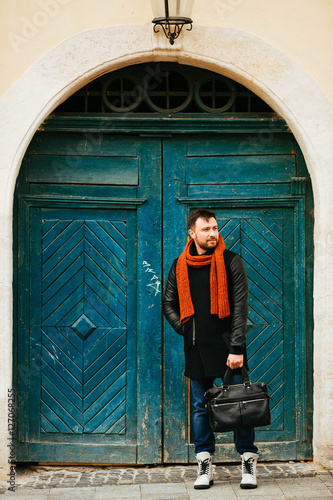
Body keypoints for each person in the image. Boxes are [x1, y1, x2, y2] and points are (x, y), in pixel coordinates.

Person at [163, 208, 259, 490]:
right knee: (200, 409)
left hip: (230, 348)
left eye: (215, 228)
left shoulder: (231, 262)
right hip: (196, 348)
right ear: (192, 233)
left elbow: (240, 308)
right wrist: (185, 329)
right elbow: (169, 304)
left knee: (241, 407)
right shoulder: (180, 265)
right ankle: (205, 464)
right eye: (206, 229)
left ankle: (248, 462)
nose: (213, 234)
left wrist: (238, 347)